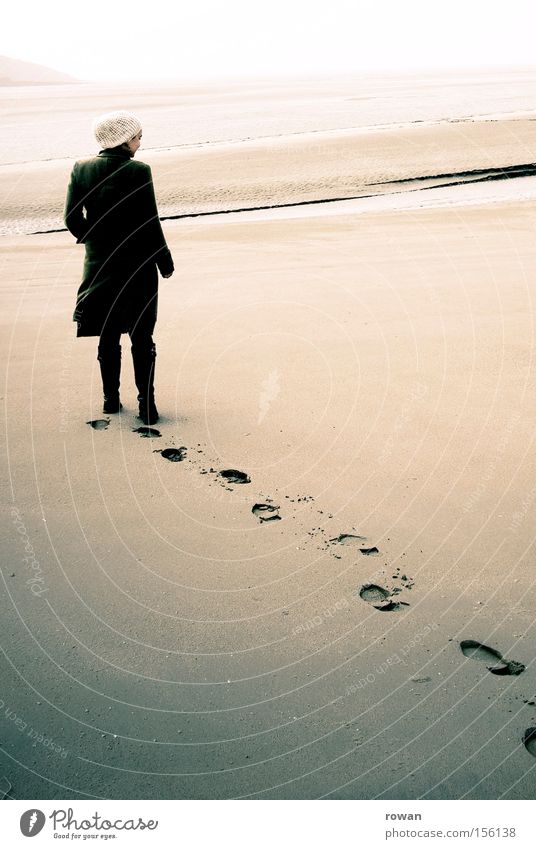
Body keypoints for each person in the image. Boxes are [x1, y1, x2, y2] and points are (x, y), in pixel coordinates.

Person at [64, 110, 174, 425]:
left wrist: (96, 240)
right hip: (138, 266)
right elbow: (149, 222)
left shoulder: (80, 169)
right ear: (124, 141)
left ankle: (110, 401)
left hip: (99, 265)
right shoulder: (139, 171)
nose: (141, 140)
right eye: (138, 135)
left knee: (108, 333)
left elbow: (71, 219)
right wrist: (164, 262)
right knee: (142, 336)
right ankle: (147, 408)